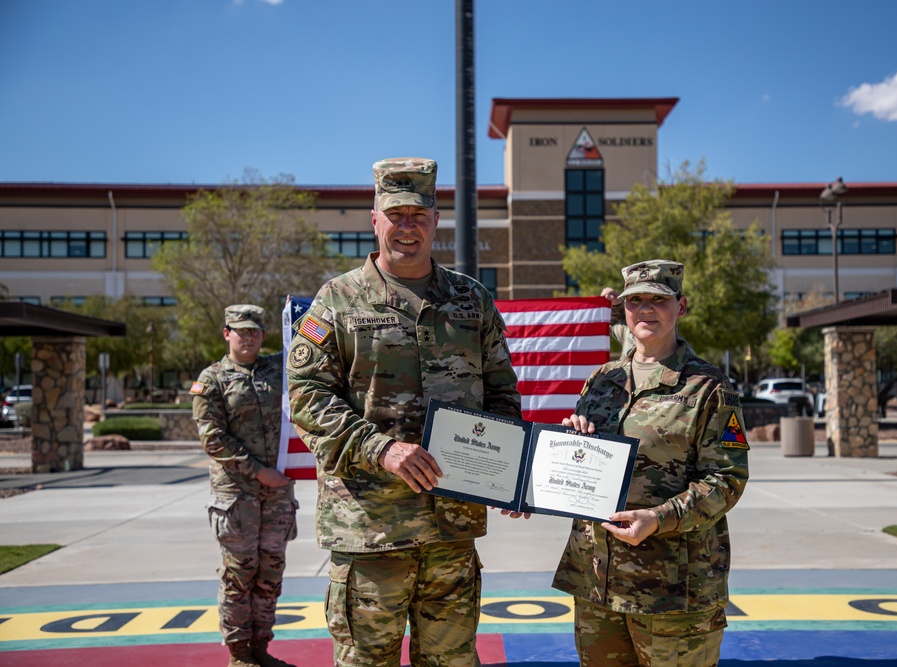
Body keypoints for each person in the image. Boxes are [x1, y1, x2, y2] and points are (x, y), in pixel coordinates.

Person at [285, 157, 522, 666]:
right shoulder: (337, 300)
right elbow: (307, 397)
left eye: (419, 214)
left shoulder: (471, 300)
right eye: (396, 214)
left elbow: (502, 393)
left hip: (451, 531)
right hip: (372, 530)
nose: (407, 226)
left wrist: (510, 471)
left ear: (436, 220)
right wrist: (382, 450)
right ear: (375, 219)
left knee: (453, 661)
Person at [553, 260, 750, 667]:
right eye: (635, 301)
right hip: (597, 582)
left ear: (680, 306)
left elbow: (726, 479)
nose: (645, 309)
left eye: (658, 300)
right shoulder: (602, 380)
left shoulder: (708, 387)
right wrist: (574, 438)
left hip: (672, 590)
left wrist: (659, 518)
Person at [192, 304, 298, 667]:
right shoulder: (212, 379)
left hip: (278, 494)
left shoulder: (278, 371)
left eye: (254, 331)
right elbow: (213, 439)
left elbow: (309, 357)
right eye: (240, 330)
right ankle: (239, 654)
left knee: (270, 573)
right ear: (226, 333)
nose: (248, 337)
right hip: (236, 496)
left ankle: (261, 648)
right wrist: (257, 471)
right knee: (239, 573)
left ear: (263, 335)